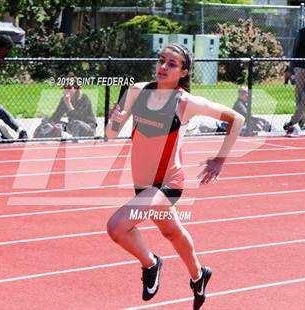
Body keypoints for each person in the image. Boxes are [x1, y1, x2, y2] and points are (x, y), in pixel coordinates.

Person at [105, 44, 244, 309]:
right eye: (161, 61)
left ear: (183, 72)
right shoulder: (137, 91)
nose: (163, 67)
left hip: (168, 183)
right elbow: (111, 134)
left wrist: (220, 159)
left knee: (116, 226)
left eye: (171, 64)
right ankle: (199, 274)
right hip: (142, 184)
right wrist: (114, 119)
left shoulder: (185, 103)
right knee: (172, 232)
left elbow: (236, 119)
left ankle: (151, 263)